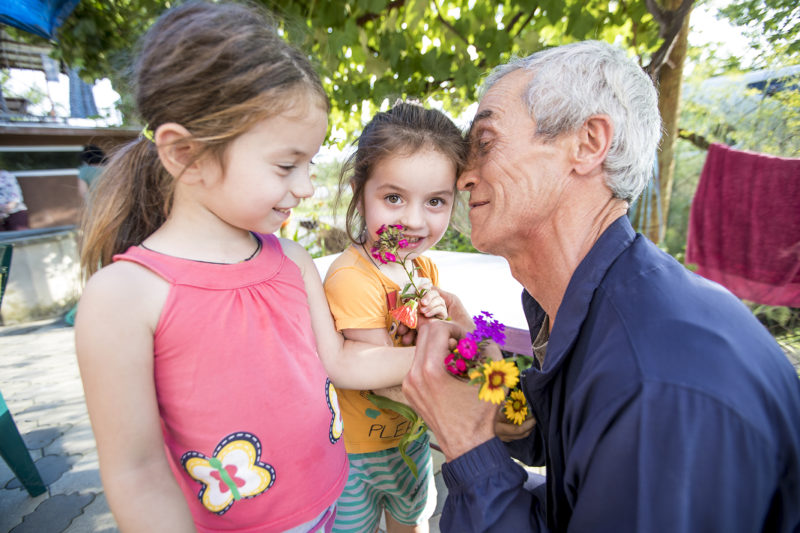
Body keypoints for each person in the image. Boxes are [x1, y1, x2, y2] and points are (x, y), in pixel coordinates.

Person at [402, 40, 800, 532]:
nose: (463, 177)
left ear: (588, 143)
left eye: (484, 143)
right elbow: (577, 452)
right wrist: (494, 389)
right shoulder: (594, 309)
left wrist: (469, 445)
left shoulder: (656, 379)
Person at [74, 3, 423, 531]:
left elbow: (343, 364)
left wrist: (440, 353)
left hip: (331, 508)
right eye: (287, 165)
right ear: (186, 154)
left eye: (310, 163)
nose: (306, 187)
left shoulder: (293, 262)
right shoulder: (123, 297)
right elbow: (138, 474)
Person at [323, 102, 467, 533]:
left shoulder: (423, 270)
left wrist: (434, 319)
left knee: (412, 521)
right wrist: (452, 351)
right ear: (358, 189)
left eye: (436, 201)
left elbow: (414, 340)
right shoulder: (351, 277)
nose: (413, 220)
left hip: (409, 439)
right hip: (356, 452)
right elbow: (378, 372)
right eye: (393, 198)